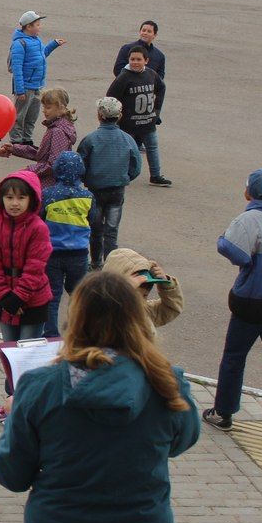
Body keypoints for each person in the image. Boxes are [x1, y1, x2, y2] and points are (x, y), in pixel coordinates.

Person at [0, 271, 199, 523]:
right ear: (137, 320)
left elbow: (13, 474)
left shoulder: (41, 387)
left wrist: (16, 418)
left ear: (75, 320)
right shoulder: (167, 384)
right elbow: (182, 441)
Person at [0, 171, 52, 421]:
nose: (14, 203)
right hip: (5, 300)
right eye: (9, 197)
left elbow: (36, 266)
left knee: (27, 356)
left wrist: (19, 298)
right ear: (0, 199)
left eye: (21, 197)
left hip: (32, 300)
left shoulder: (38, 228)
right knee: (9, 355)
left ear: (32, 200)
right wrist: (4, 297)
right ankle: (11, 402)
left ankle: (25, 407)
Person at [202, 169, 262, 432]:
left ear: (249, 192)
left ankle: (224, 412)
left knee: (234, 356)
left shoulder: (250, 219)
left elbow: (232, 249)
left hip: (250, 300)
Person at [77, 97, 143, 269]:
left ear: (99, 115)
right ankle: (111, 265)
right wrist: (125, 178)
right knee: (111, 230)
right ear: (119, 116)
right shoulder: (127, 139)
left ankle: (96, 262)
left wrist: (86, 179)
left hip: (95, 190)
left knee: (95, 229)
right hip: (117, 190)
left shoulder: (90, 139)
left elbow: (80, 164)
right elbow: (136, 166)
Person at [40, 152, 93, 333]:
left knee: (52, 297)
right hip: (78, 254)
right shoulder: (87, 196)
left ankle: (51, 335)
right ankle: (77, 332)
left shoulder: (47, 194)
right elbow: (94, 218)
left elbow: (40, 218)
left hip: (52, 253)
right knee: (78, 294)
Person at [106, 44, 170, 187]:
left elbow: (161, 87)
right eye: (132, 59)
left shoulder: (151, 74)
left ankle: (155, 175)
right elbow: (111, 96)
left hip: (148, 121)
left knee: (152, 147)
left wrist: (157, 109)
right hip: (129, 124)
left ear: (146, 61)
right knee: (127, 150)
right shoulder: (124, 77)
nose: (135, 62)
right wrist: (116, 116)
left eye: (138, 59)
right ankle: (122, 174)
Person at [0, 87, 77, 188]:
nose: (44, 111)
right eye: (44, 107)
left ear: (60, 107)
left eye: (48, 107)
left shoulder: (58, 131)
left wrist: (29, 171)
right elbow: (42, 154)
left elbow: (53, 164)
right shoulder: (57, 126)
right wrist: (15, 148)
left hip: (50, 185)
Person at [8, 11, 65, 145]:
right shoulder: (19, 44)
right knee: (19, 115)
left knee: (31, 115)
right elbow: (17, 68)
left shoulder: (36, 41)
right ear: (28, 26)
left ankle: (27, 139)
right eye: (37, 25)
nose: (40, 27)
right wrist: (20, 90)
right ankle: (16, 141)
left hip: (37, 85)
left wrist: (54, 44)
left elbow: (42, 55)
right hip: (26, 87)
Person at [102, 248, 184, 328]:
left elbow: (171, 308)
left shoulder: (143, 311)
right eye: (138, 284)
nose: (146, 288)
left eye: (149, 283)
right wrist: (122, 291)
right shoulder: (102, 315)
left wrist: (166, 285)